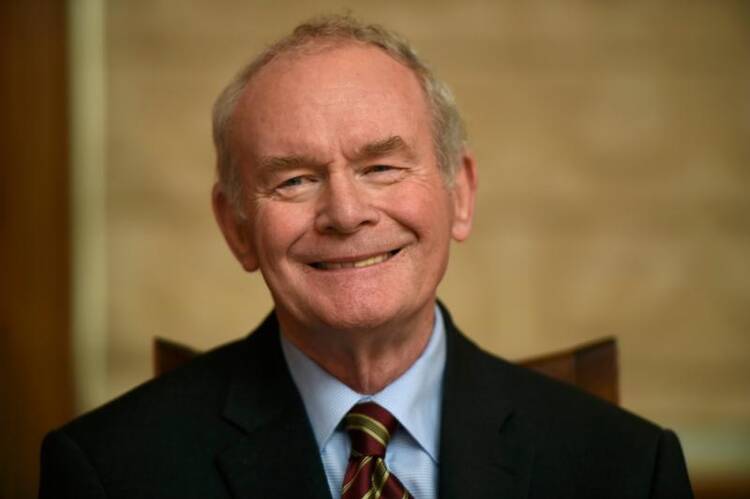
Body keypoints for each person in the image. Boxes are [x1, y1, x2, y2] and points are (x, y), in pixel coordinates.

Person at [39, 15, 693, 499]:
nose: (346, 213)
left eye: (381, 166)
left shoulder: (630, 468)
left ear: (459, 193)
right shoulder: (109, 472)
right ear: (237, 227)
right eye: (293, 179)